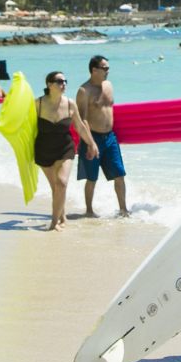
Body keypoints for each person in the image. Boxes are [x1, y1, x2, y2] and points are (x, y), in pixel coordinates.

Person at [34, 71, 96, 231]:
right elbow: (26, 128)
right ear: (49, 84)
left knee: (61, 182)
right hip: (43, 149)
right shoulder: (38, 104)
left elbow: (80, 127)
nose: (64, 84)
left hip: (65, 148)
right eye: (60, 81)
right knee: (55, 187)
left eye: (65, 81)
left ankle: (54, 223)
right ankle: (62, 215)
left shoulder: (70, 103)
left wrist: (91, 144)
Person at [77, 55, 128, 217]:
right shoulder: (84, 91)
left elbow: (109, 110)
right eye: (105, 68)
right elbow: (81, 119)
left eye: (108, 68)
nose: (108, 71)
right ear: (94, 70)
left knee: (119, 175)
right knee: (92, 178)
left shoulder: (109, 85)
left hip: (110, 138)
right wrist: (91, 143)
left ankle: (123, 210)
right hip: (92, 138)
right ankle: (89, 211)